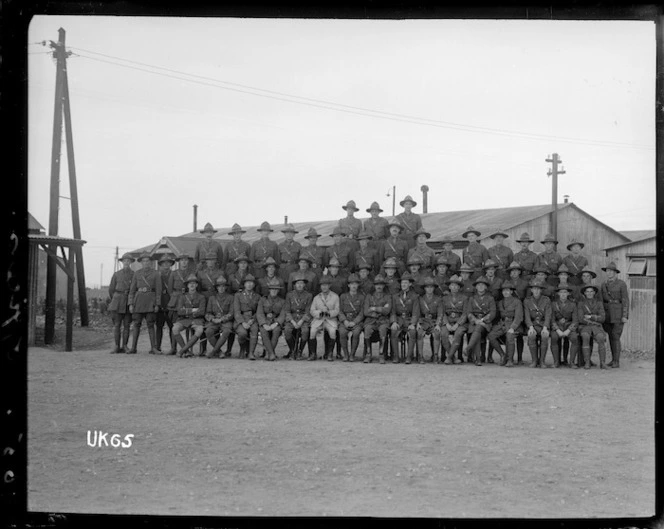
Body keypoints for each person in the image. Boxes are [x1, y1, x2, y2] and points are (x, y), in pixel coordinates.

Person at [127, 252, 162, 355]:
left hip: (150, 301)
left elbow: (158, 290)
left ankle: (153, 348)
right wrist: (131, 303)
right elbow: (132, 290)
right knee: (136, 324)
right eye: (144, 261)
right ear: (141, 262)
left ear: (150, 262)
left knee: (151, 325)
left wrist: (157, 304)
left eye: (148, 261)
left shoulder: (156, 273)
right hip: (138, 301)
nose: (146, 263)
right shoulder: (137, 273)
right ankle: (133, 348)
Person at [487, 281, 523, 367]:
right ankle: (503, 355)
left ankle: (510, 360)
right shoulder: (500, 302)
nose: (505, 292)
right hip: (502, 324)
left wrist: (513, 327)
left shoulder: (517, 302)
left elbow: (519, 317)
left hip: (514, 324)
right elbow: (497, 316)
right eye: (504, 291)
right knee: (491, 336)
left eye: (507, 290)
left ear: (511, 292)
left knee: (510, 336)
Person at [600, 261, 629, 368]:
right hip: (607, 314)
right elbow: (601, 301)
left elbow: (625, 300)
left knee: (616, 336)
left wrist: (625, 315)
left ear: (615, 273)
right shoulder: (603, 284)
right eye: (607, 271)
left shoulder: (621, 284)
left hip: (618, 312)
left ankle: (616, 361)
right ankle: (613, 360)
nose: (609, 273)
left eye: (611, 271)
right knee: (611, 336)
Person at [165, 254, 195, 355]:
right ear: (179, 262)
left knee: (189, 322)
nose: (184, 262)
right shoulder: (174, 273)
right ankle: (173, 348)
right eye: (182, 260)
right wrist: (175, 297)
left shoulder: (192, 273)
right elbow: (169, 289)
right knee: (174, 325)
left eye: (186, 260)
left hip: (188, 298)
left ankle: (187, 348)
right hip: (176, 298)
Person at [172, 274, 206, 358]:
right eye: (190, 283)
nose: (192, 285)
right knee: (175, 329)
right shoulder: (182, 297)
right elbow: (179, 311)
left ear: (197, 285)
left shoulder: (201, 297)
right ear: (187, 285)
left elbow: (201, 311)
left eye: (194, 283)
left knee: (200, 330)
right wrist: (193, 310)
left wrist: (186, 310)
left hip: (197, 320)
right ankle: (187, 351)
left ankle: (182, 351)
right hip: (184, 320)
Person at [465, 276, 497, 366]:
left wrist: (482, 320)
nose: (481, 287)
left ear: (486, 287)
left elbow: (492, 313)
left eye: (483, 285)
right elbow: (469, 312)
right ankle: (478, 358)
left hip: (486, 323)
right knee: (477, 332)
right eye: (479, 285)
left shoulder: (490, 298)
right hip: (474, 322)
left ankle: (469, 349)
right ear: (476, 287)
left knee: (478, 329)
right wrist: (475, 320)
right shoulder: (472, 298)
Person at [108, 253, 135, 354]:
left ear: (131, 262)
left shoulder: (134, 275)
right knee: (117, 325)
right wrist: (115, 299)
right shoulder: (116, 274)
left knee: (127, 325)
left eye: (128, 261)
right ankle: (116, 346)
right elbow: (111, 290)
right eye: (125, 261)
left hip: (128, 301)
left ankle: (125, 346)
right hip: (117, 302)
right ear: (122, 262)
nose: (126, 262)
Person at [390, 272, 420, 364]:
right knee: (394, 330)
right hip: (399, 319)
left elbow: (416, 312)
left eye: (406, 283)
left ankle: (409, 356)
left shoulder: (415, 296)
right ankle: (396, 356)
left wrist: (413, 323)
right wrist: (394, 322)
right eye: (402, 283)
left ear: (410, 284)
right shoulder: (395, 296)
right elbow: (393, 311)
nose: (403, 284)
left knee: (412, 331)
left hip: (409, 319)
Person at [309, 275, 340, 361]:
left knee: (332, 332)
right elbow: (312, 310)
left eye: (326, 285)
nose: (324, 287)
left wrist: (329, 313)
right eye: (322, 285)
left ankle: (329, 353)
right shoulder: (317, 297)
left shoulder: (335, 296)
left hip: (330, 319)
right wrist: (320, 312)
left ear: (329, 286)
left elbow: (337, 310)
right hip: (319, 319)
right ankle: (313, 354)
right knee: (312, 331)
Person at [578, 283, 608, 369]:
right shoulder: (581, 303)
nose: (589, 293)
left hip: (596, 327)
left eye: (591, 291)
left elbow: (602, 318)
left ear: (594, 293)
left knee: (601, 337)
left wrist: (591, 317)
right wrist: (595, 320)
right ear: (584, 293)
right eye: (587, 292)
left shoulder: (599, 303)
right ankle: (587, 362)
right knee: (585, 336)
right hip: (585, 326)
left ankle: (602, 362)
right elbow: (580, 318)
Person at [363, 274, 392, 364]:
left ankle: (381, 354)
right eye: (377, 284)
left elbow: (387, 311)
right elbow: (366, 311)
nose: (379, 286)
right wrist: (381, 309)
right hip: (371, 320)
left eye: (381, 284)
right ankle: (368, 354)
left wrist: (374, 308)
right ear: (374, 286)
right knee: (367, 329)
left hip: (383, 320)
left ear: (383, 286)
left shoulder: (387, 296)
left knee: (383, 329)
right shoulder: (369, 296)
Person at [283, 273, 313, 360]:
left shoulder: (308, 295)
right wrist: (292, 321)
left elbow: (308, 310)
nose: (300, 285)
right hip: (292, 317)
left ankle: (300, 351)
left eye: (301, 283)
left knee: (305, 331)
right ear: (294, 285)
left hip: (303, 318)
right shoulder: (289, 295)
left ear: (304, 285)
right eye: (298, 283)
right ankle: (293, 351)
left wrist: (301, 321)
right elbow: (287, 310)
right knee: (287, 330)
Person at [337, 273, 366, 362]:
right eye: (352, 284)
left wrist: (355, 321)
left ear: (358, 285)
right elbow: (340, 311)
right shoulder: (343, 296)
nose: (354, 286)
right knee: (342, 332)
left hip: (356, 321)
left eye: (355, 284)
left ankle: (352, 354)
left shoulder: (361, 297)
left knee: (356, 333)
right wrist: (344, 320)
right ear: (348, 285)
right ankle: (346, 354)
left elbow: (362, 312)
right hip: (345, 320)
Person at [523, 278, 552, 368]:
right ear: (531, 290)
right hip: (533, 325)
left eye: (538, 289)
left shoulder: (546, 300)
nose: (536, 291)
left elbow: (548, 315)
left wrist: (545, 327)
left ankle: (542, 361)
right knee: (531, 335)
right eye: (534, 289)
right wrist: (530, 327)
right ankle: (534, 360)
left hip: (543, 325)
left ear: (541, 290)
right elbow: (527, 316)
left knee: (545, 335)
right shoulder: (527, 301)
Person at [204, 276, 234, 358]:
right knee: (208, 331)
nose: (221, 288)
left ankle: (213, 351)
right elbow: (208, 313)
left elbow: (231, 313)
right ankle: (219, 351)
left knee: (226, 331)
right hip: (214, 321)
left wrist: (221, 320)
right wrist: (213, 319)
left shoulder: (231, 298)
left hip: (226, 321)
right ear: (216, 288)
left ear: (226, 287)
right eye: (219, 286)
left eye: (223, 286)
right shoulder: (212, 298)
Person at [256, 278, 286, 361]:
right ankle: (271, 353)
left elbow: (283, 314)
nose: (274, 291)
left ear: (278, 291)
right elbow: (260, 313)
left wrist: (275, 324)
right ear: (269, 290)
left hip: (275, 322)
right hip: (265, 321)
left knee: (276, 330)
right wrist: (264, 324)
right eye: (272, 289)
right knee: (263, 331)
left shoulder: (282, 301)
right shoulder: (262, 300)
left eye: (276, 289)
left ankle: (268, 353)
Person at [441, 275, 468, 364]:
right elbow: (442, 313)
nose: (454, 287)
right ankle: (454, 357)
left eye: (456, 285)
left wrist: (458, 324)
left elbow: (465, 313)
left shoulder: (464, 298)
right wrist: (447, 324)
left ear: (459, 287)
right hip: (448, 321)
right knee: (444, 334)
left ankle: (449, 358)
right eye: (452, 285)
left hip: (459, 322)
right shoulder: (444, 298)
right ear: (449, 287)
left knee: (458, 334)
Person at [550, 285, 579, 368]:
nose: (563, 294)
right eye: (561, 292)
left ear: (568, 294)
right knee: (554, 337)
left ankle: (572, 362)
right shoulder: (553, 304)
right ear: (558, 293)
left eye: (565, 292)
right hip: (558, 327)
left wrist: (568, 330)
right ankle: (556, 362)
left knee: (574, 338)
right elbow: (552, 320)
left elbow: (575, 320)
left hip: (568, 326)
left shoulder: (573, 305)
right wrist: (557, 329)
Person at [416, 276, 443, 363]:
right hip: (423, 321)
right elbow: (417, 312)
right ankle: (420, 356)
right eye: (427, 287)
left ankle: (435, 356)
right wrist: (418, 323)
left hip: (434, 321)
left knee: (437, 333)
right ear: (424, 288)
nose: (429, 289)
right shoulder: (420, 299)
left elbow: (440, 314)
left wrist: (438, 324)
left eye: (431, 287)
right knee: (419, 333)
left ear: (434, 288)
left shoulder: (438, 299)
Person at [234, 274, 261, 360]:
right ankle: (242, 349)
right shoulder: (238, 295)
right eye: (247, 283)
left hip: (253, 319)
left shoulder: (257, 296)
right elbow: (237, 311)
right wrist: (242, 322)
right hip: (242, 318)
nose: (249, 285)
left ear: (254, 285)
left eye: (251, 283)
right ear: (244, 284)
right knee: (242, 333)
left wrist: (252, 320)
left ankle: (251, 353)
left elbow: (259, 311)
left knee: (254, 330)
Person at [155, 255, 175, 354]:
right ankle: (157, 347)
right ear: (161, 265)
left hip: (171, 302)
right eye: (164, 263)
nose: (166, 265)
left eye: (168, 263)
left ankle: (173, 348)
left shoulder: (174, 274)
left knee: (172, 326)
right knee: (159, 326)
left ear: (171, 264)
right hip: (160, 302)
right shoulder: (157, 275)